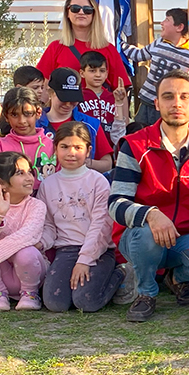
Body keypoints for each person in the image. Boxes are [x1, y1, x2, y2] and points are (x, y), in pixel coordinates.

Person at [109, 70, 189, 322]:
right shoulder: (135, 144)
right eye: (168, 97)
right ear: (157, 103)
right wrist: (150, 214)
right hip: (142, 237)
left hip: (187, 236)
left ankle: (176, 278)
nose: (177, 103)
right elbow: (115, 204)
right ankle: (146, 292)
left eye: (184, 97)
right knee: (146, 236)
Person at [37, 122, 125, 313]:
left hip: (98, 251)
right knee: (55, 303)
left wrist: (85, 260)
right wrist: (40, 244)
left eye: (78, 147)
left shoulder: (98, 181)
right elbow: (49, 225)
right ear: (55, 149)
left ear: (88, 150)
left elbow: (100, 226)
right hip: (66, 250)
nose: (71, 153)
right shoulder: (48, 185)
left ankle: (121, 274)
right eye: (65, 147)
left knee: (86, 301)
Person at [0, 152, 48, 312]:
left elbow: (28, 236)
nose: (29, 178)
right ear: (1, 183)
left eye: (30, 172)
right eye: (20, 173)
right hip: (2, 275)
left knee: (26, 252)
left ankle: (30, 294)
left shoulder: (36, 206)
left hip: (31, 272)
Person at [37, 0, 131, 92]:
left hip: (100, 106)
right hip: (66, 107)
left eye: (87, 10)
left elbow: (121, 91)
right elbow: (42, 86)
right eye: (75, 9)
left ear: (94, 14)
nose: (81, 12)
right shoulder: (55, 47)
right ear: (67, 13)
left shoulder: (108, 49)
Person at [121, 8, 189, 128]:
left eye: (167, 19)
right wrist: (120, 44)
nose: (162, 23)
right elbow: (139, 55)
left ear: (179, 27)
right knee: (140, 132)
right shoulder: (159, 42)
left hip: (167, 105)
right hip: (146, 101)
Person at [0, 88, 57, 183]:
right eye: (14, 115)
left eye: (28, 114)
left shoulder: (53, 146)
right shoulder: (0, 145)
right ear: (6, 116)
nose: (22, 121)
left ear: (38, 113)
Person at [38, 69, 114, 174]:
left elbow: (107, 163)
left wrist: (82, 161)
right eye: (64, 99)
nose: (68, 104)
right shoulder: (34, 124)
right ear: (50, 93)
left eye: (73, 99)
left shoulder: (91, 124)